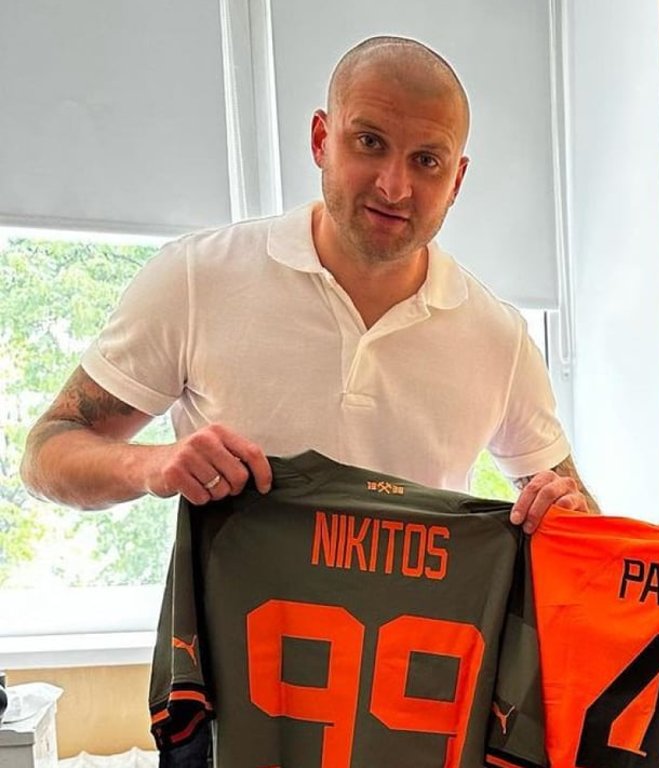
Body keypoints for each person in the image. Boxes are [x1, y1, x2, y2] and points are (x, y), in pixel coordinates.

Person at [19, 36, 594, 530]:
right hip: (230, 633)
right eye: (369, 142)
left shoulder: (499, 338)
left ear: (457, 180)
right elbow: (47, 452)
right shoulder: (196, 276)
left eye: (427, 161)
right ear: (321, 139)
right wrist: (154, 465)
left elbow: (583, 523)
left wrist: (566, 516)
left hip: (424, 634)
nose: (394, 187)